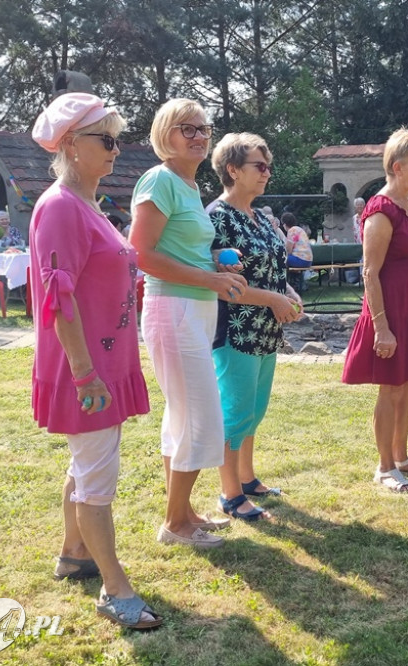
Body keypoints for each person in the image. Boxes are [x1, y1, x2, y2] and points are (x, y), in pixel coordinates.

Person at [29, 92, 161, 629]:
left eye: (116, 139)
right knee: (97, 478)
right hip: (86, 368)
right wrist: (85, 375)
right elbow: (58, 299)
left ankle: (73, 554)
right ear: (69, 144)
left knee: (86, 466)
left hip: (104, 360)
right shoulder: (61, 206)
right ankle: (115, 588)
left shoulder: (87, 204)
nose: (115, 149)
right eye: (105, 139)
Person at [130, 98, 248, 549]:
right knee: (201, 418)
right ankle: (175, 525)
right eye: (188, 128)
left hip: (193, 307)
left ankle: (184, 514)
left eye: (204, 128)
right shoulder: (160, 180)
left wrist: (214, 260)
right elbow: (141, 253)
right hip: (173, 308)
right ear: (166, 134)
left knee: (183, 417)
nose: (199, 136)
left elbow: (176, 248)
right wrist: (209, 278)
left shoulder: (187, 184)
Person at [341, 129, 408, 492]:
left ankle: (401, 456)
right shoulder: (380, 210)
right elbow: (370, 272)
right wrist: (382, 328)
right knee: (392, 387)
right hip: (389, 308)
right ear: (398, 167)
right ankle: (385, 466)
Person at [208, 132, 303, 521]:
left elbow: (273, 269)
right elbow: (224, 283)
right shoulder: (218, 217)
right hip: (237, 330)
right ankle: (230, 494)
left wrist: (289, 294)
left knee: (254, 410)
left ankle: (246, 479)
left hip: (266, 330)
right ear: (232, 170)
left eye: (268, 167)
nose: (267, 173)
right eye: (259, 166)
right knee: (235, 414)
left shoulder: (260, 216)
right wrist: (274, 300)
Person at [280, 212, 313, 291]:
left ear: (284, 224)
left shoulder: (292, 231)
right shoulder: (299, 229)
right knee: (286, 261)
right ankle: (297, 283)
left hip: (300, 260)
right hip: (308, 260)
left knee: (279, 259)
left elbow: (288, 250)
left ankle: (282, 284)